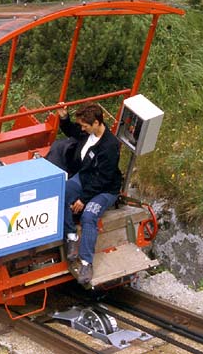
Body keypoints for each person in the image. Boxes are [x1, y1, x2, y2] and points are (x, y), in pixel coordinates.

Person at [56, 103, 122, 285]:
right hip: (84, 179)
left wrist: (83, 199)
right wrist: (64, 118)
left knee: (89, 216)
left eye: (85, 125)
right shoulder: (89, 134)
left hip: (105, 189)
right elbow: (72, 131)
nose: (82, 129)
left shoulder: (110, 146)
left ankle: (86, 262)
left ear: (96, 122)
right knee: (61, 193)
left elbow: (104, 178)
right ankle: (71, 236)